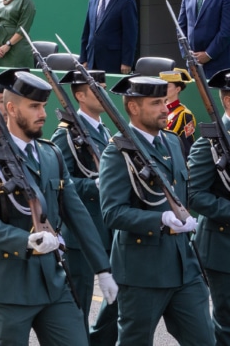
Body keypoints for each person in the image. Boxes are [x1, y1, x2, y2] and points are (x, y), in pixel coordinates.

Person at [0, 69, 117, 345]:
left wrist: (103, 269)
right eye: (34, 106)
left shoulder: (51, 153)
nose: (43, 114)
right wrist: (26, 240)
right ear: (11, 109)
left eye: (44, 106)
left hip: (53, 281)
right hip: (8, 284)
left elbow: (77, 214)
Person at [99, 75, 211, 345]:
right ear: (134, 108)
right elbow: (112, 212)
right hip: (142, 272)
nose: (165, 108)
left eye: (164, 101)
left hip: (184, 265)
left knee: (205, 340)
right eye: (156, 103)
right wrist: (160, 219)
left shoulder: (172, 141)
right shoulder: (118, 151)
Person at [51, 69, 117, 345]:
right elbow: (57, 183)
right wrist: (96, 185)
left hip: (109, 228)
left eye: (103, 87)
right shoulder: (66, 134)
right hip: (81, 232)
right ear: (79, 95)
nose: (102, 93)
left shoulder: (105, 129)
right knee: (78, 302)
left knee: (117, 298)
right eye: (95, 90)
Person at [189, 68, 230, 346]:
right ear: (227, 101)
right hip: (222, 247)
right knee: (227, 324)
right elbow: (193, 194)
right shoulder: (210, 142)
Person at [79, 0, 138, 74]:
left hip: (113, 62)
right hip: (92, 61)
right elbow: (87, 32)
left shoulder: (126, 1)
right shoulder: (93, 1)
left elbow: (130, 34)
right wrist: (84, 58)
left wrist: (127, 62)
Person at [178, 0, 230, 77]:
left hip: (217, 66)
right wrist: (186, 53)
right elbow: (180, 26)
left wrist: (208, 54)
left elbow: (226, 31)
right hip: (192, 65)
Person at [159, 68, 197, 159]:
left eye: (167, 86)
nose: (163, 89)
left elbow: (187, 147)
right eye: (162, 86)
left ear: (177, 89)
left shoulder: (184, 115)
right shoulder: (157, 110)